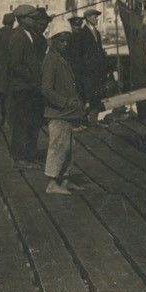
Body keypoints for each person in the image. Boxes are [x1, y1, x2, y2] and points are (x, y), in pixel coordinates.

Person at [40, 31, 86, 195]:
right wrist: (64, 102)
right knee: (58, 146)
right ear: (52, 40)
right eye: (61, 41)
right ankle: (52, 183)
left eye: (67, 41)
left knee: (68, 147)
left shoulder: (60, 57)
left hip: (66, 112)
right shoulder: (51, 60)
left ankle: (65, 179)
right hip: (58, 112)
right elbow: (46, 89)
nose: (65, 44)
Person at [7, 4, 50, 168]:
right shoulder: (18, 36)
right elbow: (15, 64)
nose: (35, 20)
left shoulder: (29, 34)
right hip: (23, 87)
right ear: (23, 19)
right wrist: (33, 78)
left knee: (32, 121)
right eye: (32, 18)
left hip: (31, 87)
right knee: (22, 123)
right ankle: (18, 157)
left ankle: (29, 154)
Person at [78, 7, 110, 113]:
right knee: (88, 95)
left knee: (96, 96)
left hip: (97, 68)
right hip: (88, 69)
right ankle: (86, 117)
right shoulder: (83, 33)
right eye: (95, 17)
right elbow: (81, 52)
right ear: (88, 18)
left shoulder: (97, 33)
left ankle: (93, 117)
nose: (97, 19)